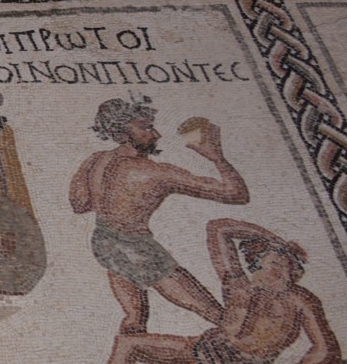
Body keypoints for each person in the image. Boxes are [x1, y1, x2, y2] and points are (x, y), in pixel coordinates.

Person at [61, 218, 340, 364]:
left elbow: (325, 348)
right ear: (257, 265)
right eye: (275, 264)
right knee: (128, 343)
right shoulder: (237, 284)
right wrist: (271, 237)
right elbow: (219, 228)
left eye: (289, 267)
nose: (283, 273)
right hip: (210, 345)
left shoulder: (300, 300)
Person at [70, 96, 249, 334]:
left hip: (103, 241)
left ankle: (131, 348)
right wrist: (216, 156)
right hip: (137, 248)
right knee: (219, 317)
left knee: (134, 318)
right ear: (122, 133)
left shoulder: (95, 160)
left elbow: (79, 204)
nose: (156, 134)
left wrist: (113, 200)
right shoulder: (156, 173)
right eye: (145, 128)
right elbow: (235, 193)